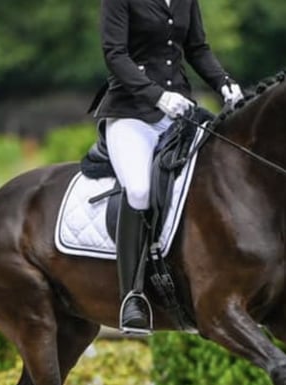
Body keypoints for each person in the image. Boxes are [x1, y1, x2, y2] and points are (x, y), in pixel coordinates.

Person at [91, 0, 243, 335]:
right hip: (132, 114)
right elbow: (115, 55)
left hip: (180, 113)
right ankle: (132, 295)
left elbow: (197, 48)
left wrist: (224, 83)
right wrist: (157, 96)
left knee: (210, 180)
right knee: (140, 189)